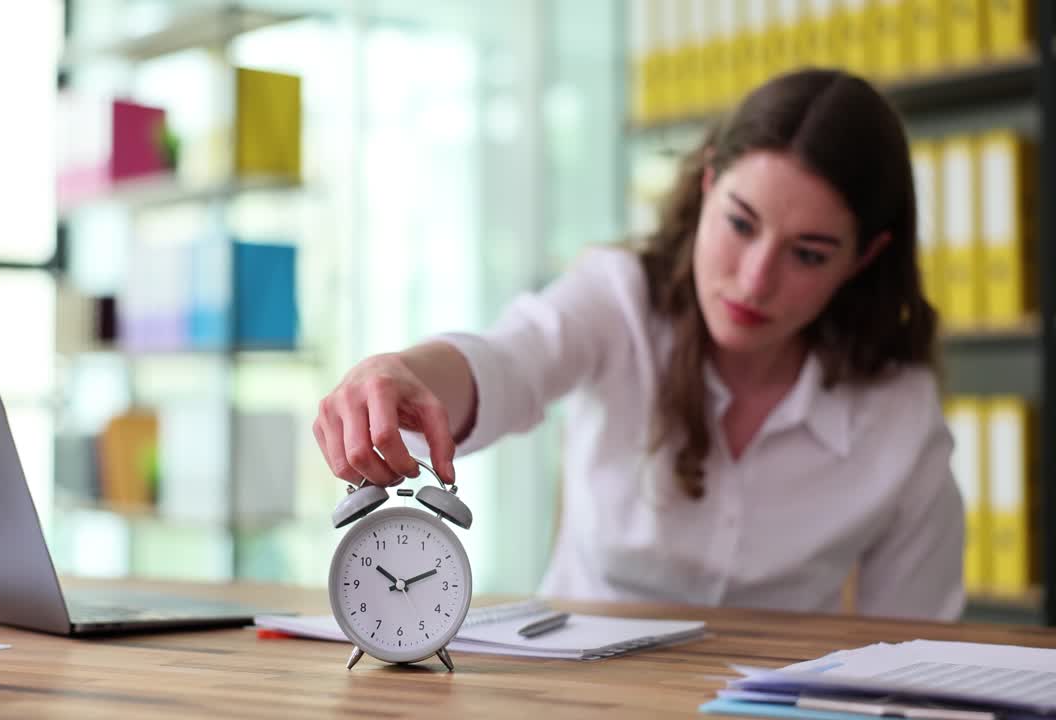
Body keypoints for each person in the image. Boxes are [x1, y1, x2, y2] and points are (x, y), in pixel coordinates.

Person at [312, 68, 964, 620]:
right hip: (572, 697)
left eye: (809, 254)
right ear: (708, 185)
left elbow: (911, 648)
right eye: (740, 223)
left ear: (863, 258)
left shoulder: (899, 412)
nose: (755, 279)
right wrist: (403, 375)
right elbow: (512, 359)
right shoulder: (619, 298)